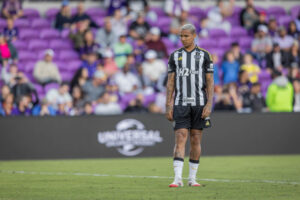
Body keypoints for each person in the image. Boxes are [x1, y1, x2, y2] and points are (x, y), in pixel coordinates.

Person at [166, 24, 214, 187]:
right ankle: (177, 178)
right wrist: (168, 104)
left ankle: (192, 179)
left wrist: (209, 103)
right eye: (181, 36)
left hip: (199, 104)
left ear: (194, 36)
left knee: (195, 139)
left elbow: (209, 81)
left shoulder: (205, 55)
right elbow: (171, 81)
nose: (183, 39)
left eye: (186, 36)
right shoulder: (174, 56)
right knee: (180, 137)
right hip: (180, 104)